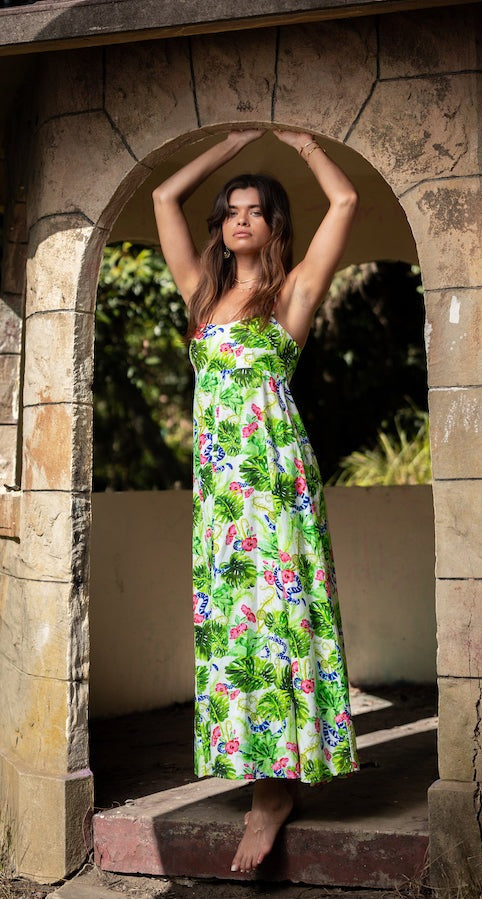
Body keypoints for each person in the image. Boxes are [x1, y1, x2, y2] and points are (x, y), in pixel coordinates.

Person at [152, 129, 359, 875]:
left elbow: (345, 199)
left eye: (256, 210)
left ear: (274, 226)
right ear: (221, 225)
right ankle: (263, 777)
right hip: (221, 496)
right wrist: (227, 142)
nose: (242, 220)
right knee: (236, 636)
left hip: (274, 484)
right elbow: (163, 196)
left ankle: (271, 799)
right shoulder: (201, 295)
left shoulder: (291, 294)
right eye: (231, 210)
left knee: (275, 623)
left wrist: (301, 145)